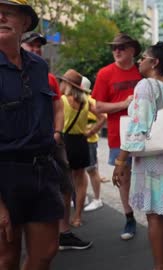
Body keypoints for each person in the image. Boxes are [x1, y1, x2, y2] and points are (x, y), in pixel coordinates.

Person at [112, 41, 163, 270]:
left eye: (143, 57)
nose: (139, 61)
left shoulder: (146, 85)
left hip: (153, 160)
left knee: (154, 216)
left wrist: (120, 160)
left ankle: (159, 266)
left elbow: (138, 124)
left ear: (154, 62)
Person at [0, 1, 64, 269]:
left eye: (9, 12)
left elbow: (52, 107)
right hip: (4, 174)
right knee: (6, 257)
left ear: (25, 22)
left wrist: (57, 134)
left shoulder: (39, 66)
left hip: (42, 169)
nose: (1, 16)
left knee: (47, 251)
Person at [20, 31, 93, 250]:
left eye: (38, 46)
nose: (36, 49)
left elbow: (57, 107)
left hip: (52, 142)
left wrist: (57, 133)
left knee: (65, 184)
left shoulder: (47, 76)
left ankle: (64, 233)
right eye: (31, 45)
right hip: (19, 145)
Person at [92, 33, 142, 240]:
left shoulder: (142, 71)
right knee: (123, 178)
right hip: (118, 137)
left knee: (151, 176)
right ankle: (129, 217)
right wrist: (124, 104)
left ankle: (159, 220)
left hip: (147, 134)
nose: (117, 51)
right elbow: (98, 107)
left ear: (132, 50)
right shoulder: (105, 74)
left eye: (121, 47)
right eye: (114, 48)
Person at [60, 69, 105, 228]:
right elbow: (103, 117)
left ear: (67, 84)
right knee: (80, 181)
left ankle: (63, 220)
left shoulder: (62, 101)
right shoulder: (86, 101)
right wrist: (91, 131)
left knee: (65, 182)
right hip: (81, 142)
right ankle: (78, 217)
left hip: (65, 142)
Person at [82, 76, 107, 212]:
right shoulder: (81, 100)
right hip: (82, 141)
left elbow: (103, 118)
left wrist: (91, 131)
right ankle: (83, 196)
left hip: (89, 141)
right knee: (81, 170)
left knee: (91, 170)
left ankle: (97, 199)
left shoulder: (89, 101)